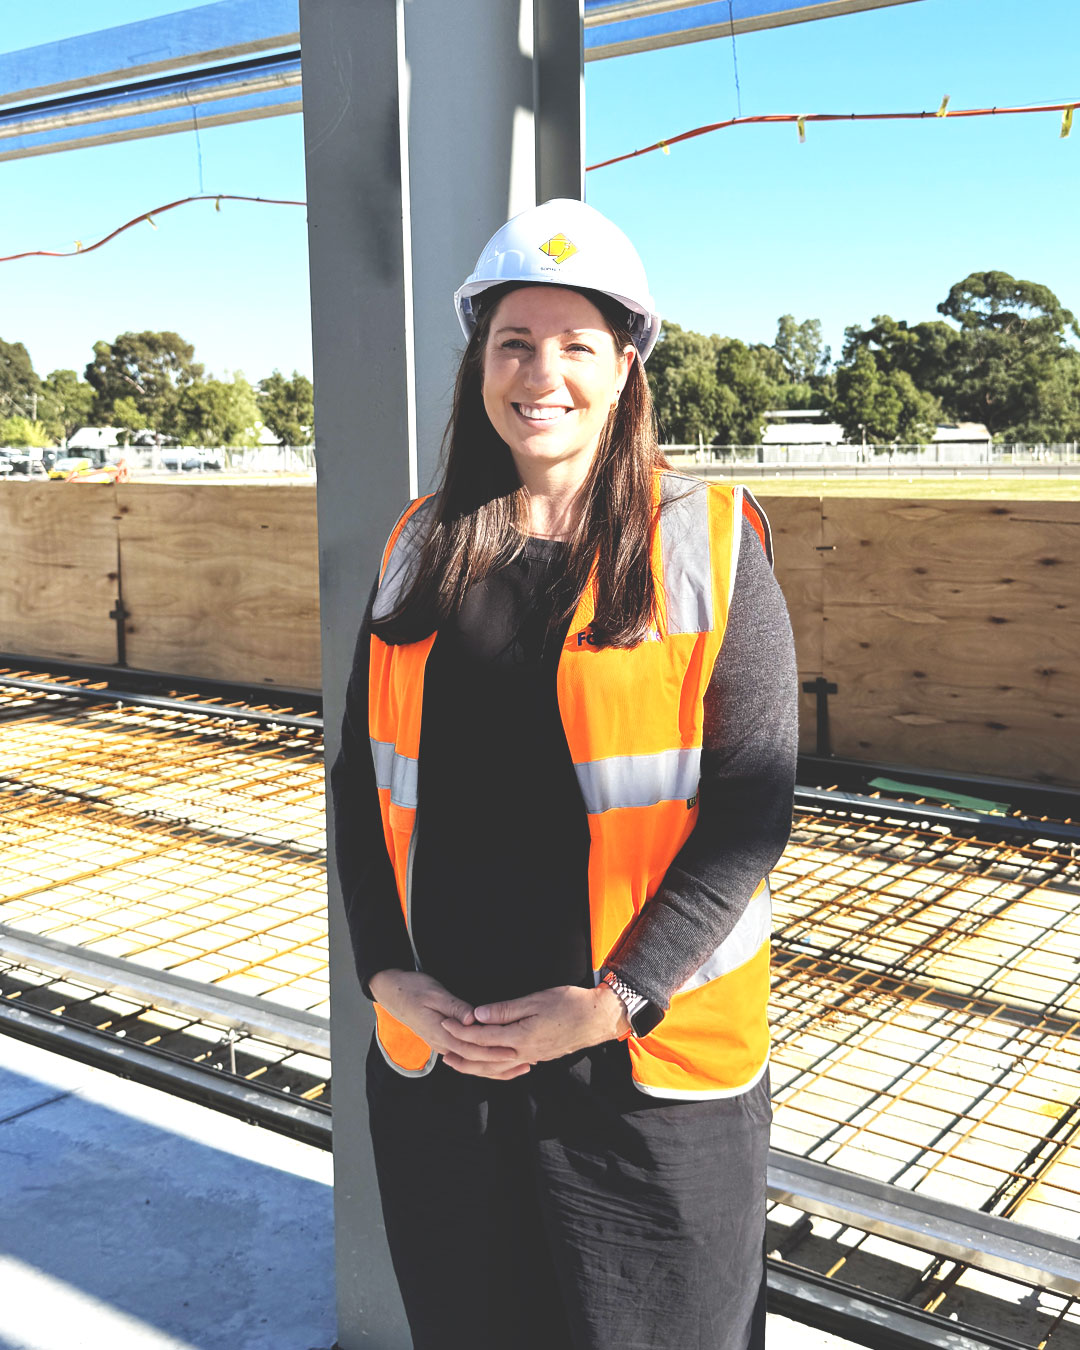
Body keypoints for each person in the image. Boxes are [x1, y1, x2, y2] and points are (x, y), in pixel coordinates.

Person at [331, 197, 798, 1350]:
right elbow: (357, 778)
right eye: (513, 344)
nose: (542, 375)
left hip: (638, 1074)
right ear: (479, 365)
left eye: (578, 345)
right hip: (446, 1063)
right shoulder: (418, 545)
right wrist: (386, 974)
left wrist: (611, 1001)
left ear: (627, 366)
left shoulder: (711, 540)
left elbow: (752, 808)